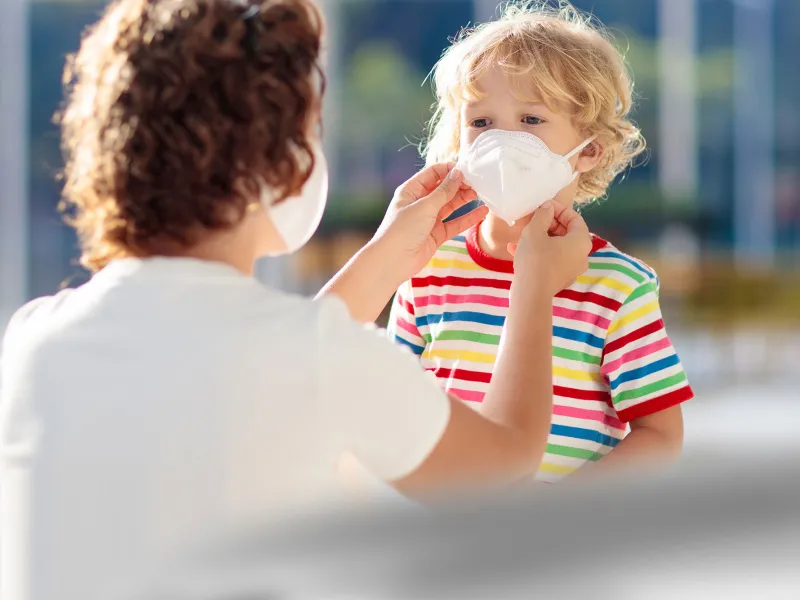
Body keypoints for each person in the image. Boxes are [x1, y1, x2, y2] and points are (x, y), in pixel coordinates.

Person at [0, 1, 592, 599]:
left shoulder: (33, 341)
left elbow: (270, 364)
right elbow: (503, 464)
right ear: (283, 165)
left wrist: (389, 251)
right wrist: (534, 286)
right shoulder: (322, 361)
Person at [387, 1, 694, 484]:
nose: (503, 143)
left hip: (562, 546)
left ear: (588, 149)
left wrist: (563, 514)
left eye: (531, 120)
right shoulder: (426, 269)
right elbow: (391, 408)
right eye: (482, 123)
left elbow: (660, 434)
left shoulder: (618, 287)